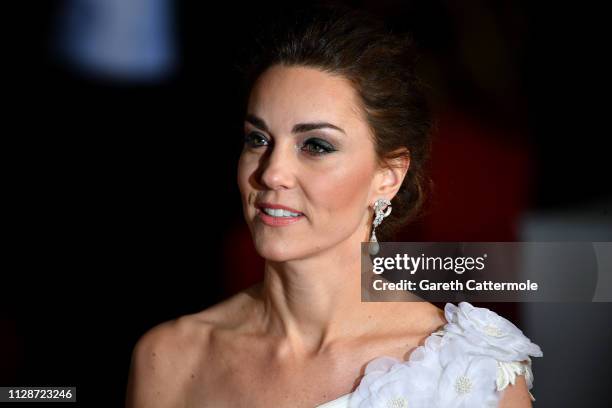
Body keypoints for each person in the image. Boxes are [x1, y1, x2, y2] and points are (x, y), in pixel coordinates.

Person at [125, 3, 542, 407]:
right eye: (258, 139)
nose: (272, 173)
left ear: (388, 176)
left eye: (316, 145)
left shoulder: (470, 373)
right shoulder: (171, 357)